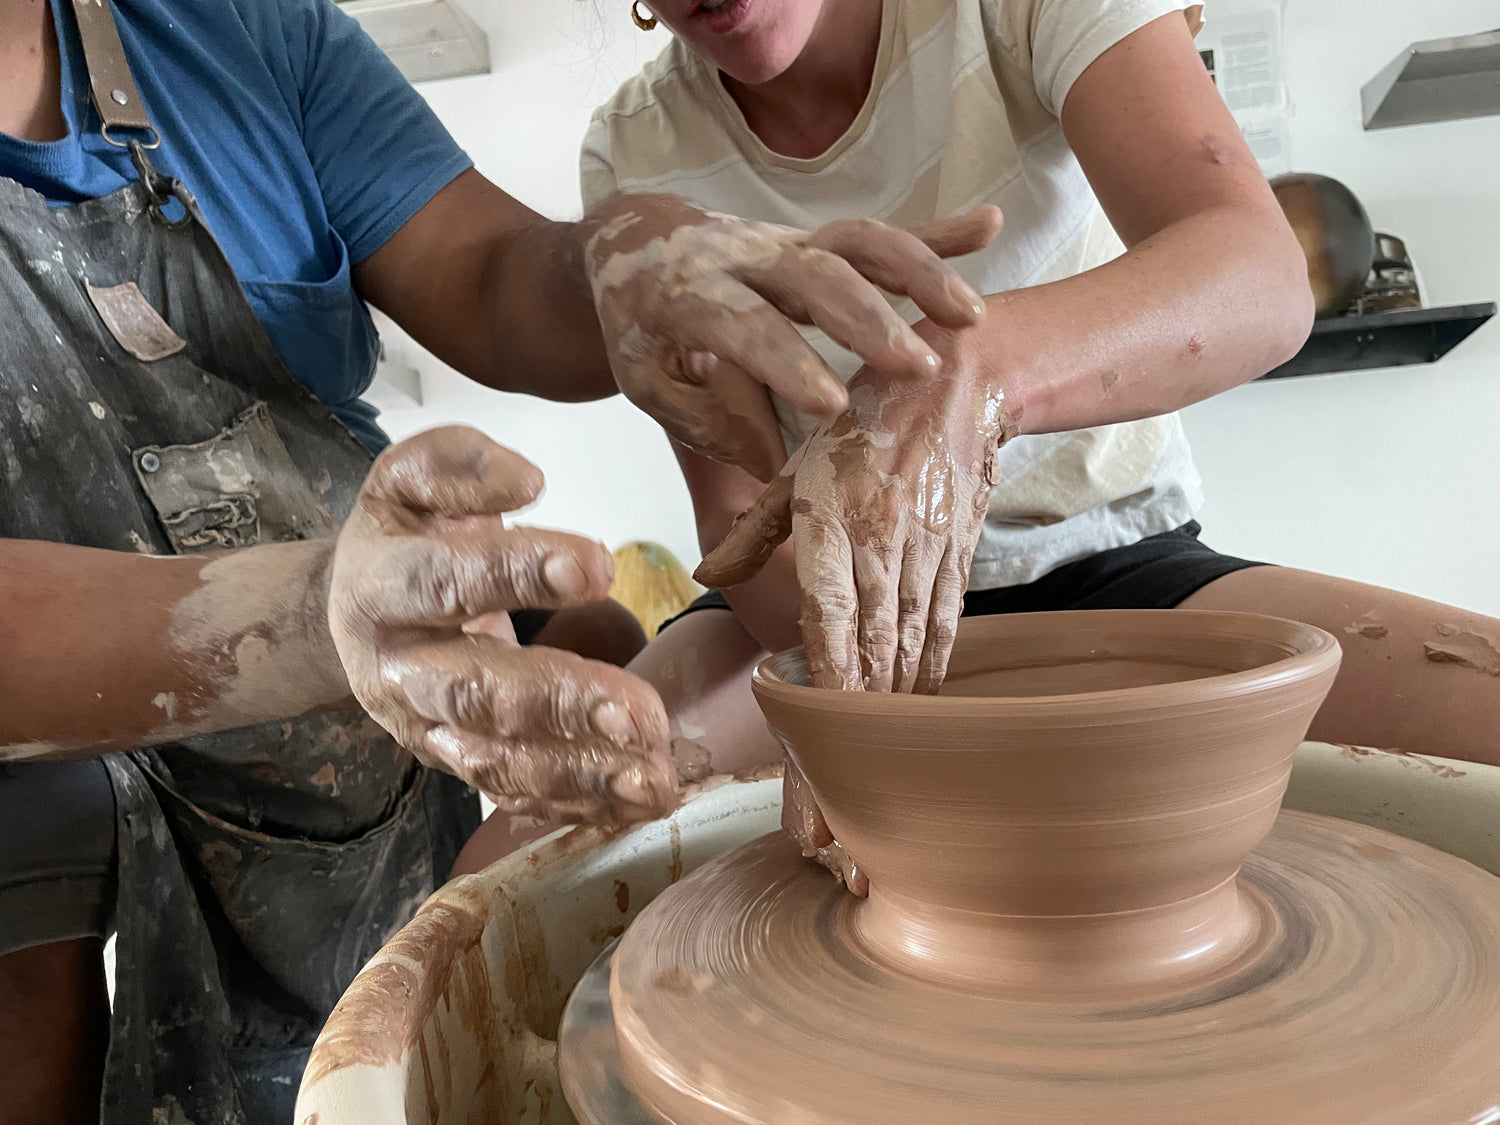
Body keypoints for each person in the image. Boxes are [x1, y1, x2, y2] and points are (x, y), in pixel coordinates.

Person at [0, 0, 1001, 1119]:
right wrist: (307, 613)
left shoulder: (232, 26)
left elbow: (480, 271)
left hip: (365, 687)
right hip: (76, 723)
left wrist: (607, 270)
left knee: (517, 904)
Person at [567, 0, 1500, 888]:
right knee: (541, 851)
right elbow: (738, 523)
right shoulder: (635, 153)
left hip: (1111, 564)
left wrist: (974, 372)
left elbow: (1260, 276)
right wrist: (848, 700)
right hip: (824, 606)